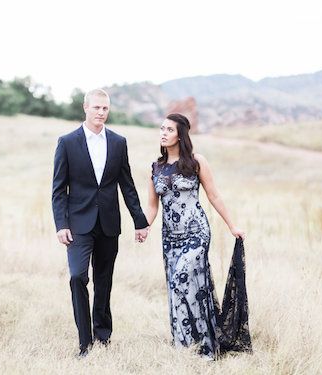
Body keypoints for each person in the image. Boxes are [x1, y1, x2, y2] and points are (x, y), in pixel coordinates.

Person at [52, 89, 149, 357]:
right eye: (96, 108)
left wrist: (139, 221)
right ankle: (85, 343)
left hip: (108, 223)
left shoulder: (118, 142)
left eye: (105, 109)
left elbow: (127, 185)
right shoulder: (67, 142)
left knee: (104, 281)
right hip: (78, 224)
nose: (101, 113)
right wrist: (61, 224)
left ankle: (103, 336)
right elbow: (59, 189)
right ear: (85, 107)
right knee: (77, 277)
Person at [144, 113, 246, 360]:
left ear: (181, 134)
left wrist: (233, 226)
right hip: (170, 237)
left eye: (169, 129)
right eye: (162, 129)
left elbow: (214, 196)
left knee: (182, 279)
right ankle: (185, 345)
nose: (163, 133)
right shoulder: (156, 167)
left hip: (196, 233)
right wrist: (143, 227)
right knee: (180, 289)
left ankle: (207, 348)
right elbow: (152, 206)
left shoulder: (196, 162)